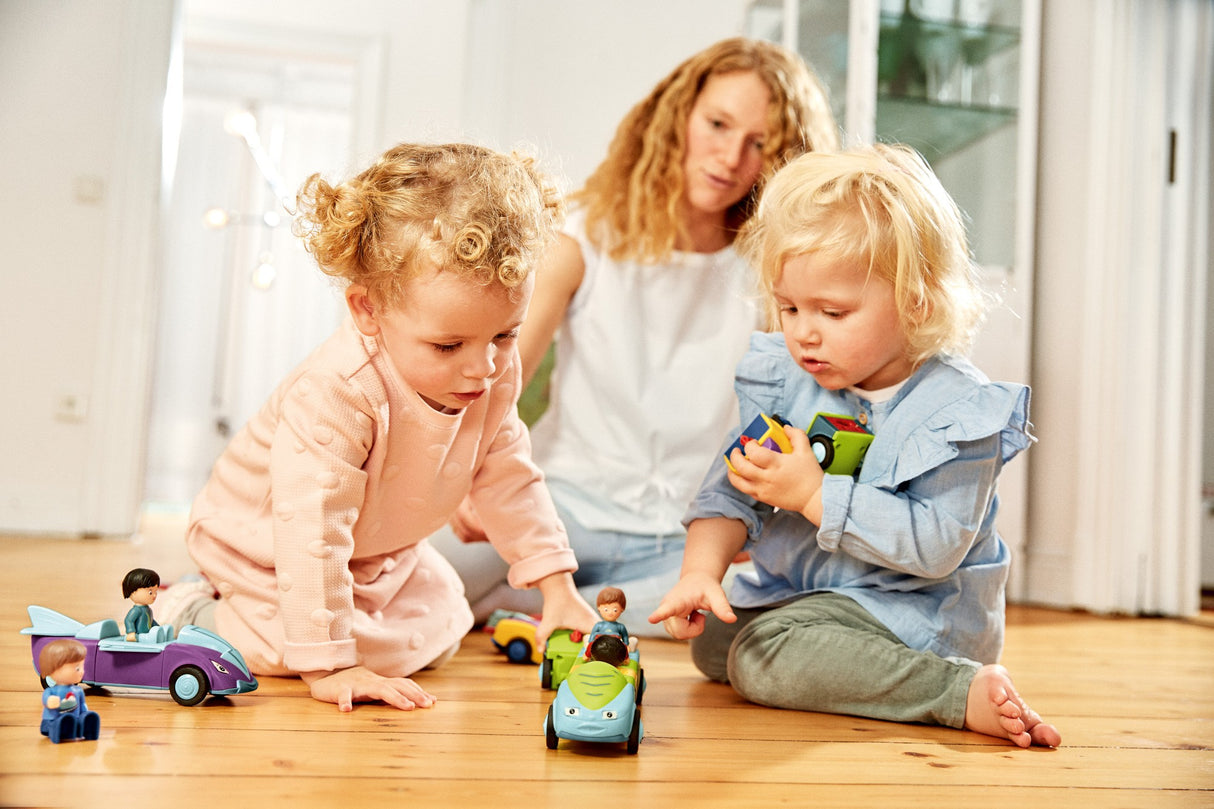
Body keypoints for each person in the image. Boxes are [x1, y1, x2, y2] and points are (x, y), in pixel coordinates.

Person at [648, 144, 1062, 749]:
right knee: (716, 643)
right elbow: (730, 486)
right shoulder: (789, 380)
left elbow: (936, 547)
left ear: (914, 300)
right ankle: (818, 656)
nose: (803, 331)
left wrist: (815, 495)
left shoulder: (956, 410)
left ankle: (952, 689)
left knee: (762, 657)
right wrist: (700, 573)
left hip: (913, 613)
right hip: (808, 596)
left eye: (833, 312)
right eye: (788, 306)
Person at [160, 142, 599, 712]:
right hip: (268, 544)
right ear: (368, 311)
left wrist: (557, 589)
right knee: (273, 653)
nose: (483, 367)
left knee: (438, 629)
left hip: (375, 552)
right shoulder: (338, 391)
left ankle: (318, 628)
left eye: (505, 334)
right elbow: (313, 528)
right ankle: (192, 608)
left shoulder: (491, 369)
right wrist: (332, 669)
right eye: (448, 345)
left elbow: (509, 475)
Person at [432, 38, 840, 635]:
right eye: (718, 124)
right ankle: (567, 608)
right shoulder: (580, 241)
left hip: (683, 537)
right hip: (555, 506)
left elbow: (798, 412)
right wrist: (466, 479)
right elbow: (497, 378)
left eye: (760, 143)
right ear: (678, 119)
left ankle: (528, 610)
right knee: (414, 579)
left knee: (763, 609)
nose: (730, 156)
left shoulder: (776, 273)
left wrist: (758, 523)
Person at [38, 639, 101, 743]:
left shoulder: (78, 690)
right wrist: (49, 701)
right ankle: (60, 729)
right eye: (77, 668)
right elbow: (46, 699)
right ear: (53, 669)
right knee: (64, 720)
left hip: (75, 719)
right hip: (52, 720)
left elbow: (82, 704)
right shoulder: (51, 691)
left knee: (88, 716)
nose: (81, 672)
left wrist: (84, 713)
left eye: (82, 667)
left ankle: (85, 728)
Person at [122, 567, 160, 641]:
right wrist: (131, 632)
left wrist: (158, 628)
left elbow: (151, 621)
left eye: (156, 591)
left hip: (147, 638)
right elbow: (129, 620)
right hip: (139, 638)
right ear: (134, 592)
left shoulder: (148, 610)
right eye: (150, 592)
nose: (154, 595)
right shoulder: (136, 610)